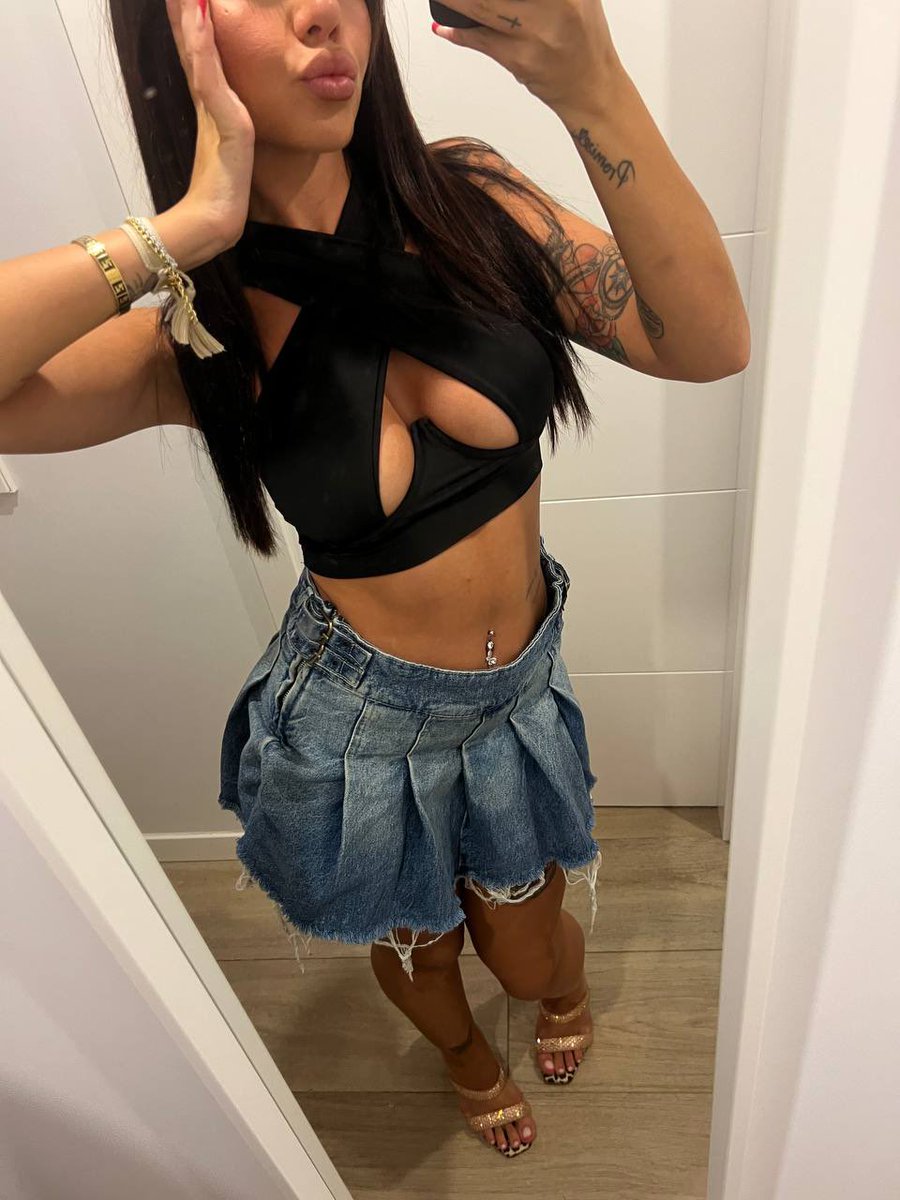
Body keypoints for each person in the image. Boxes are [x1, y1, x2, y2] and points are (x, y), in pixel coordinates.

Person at [0, 0, 750, 1161]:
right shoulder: (200, 331)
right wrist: (187, 228)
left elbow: (706, 342)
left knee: (528, 942)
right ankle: (466, 1060)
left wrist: (592, 85)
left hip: (514, 693)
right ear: (174, 39)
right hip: (356, 721)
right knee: (418, 948)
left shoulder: (475, 203)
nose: (319, 10)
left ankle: (556, 991)